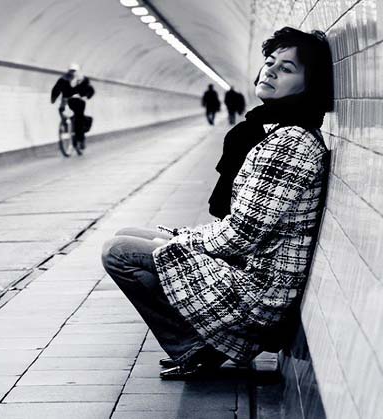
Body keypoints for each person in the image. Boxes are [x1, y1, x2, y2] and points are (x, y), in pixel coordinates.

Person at [101, 26, 334, 380]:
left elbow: (240, 236)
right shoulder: (280, 132)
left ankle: (194, 348)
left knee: (118, 251)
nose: (270, 71)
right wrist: (177, 237)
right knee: (128, 235)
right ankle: (201, 345)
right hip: (251, 271)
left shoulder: (289, 144)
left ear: (310, 84)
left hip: (262, 294)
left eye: (286, 69)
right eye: (270, 63)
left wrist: (175, 241)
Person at [50, 64, 94, 151]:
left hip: (78, 102)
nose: (72, 72)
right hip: (66, 102)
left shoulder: (83, 80)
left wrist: (86, 96)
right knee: (62, 111)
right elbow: (56, 89)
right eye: (71, 70)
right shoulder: (63, 79)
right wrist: (53, 98)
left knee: (79, 118)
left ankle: (80, 139)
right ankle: (66, 127)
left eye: (74, 71)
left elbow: (90, 90)